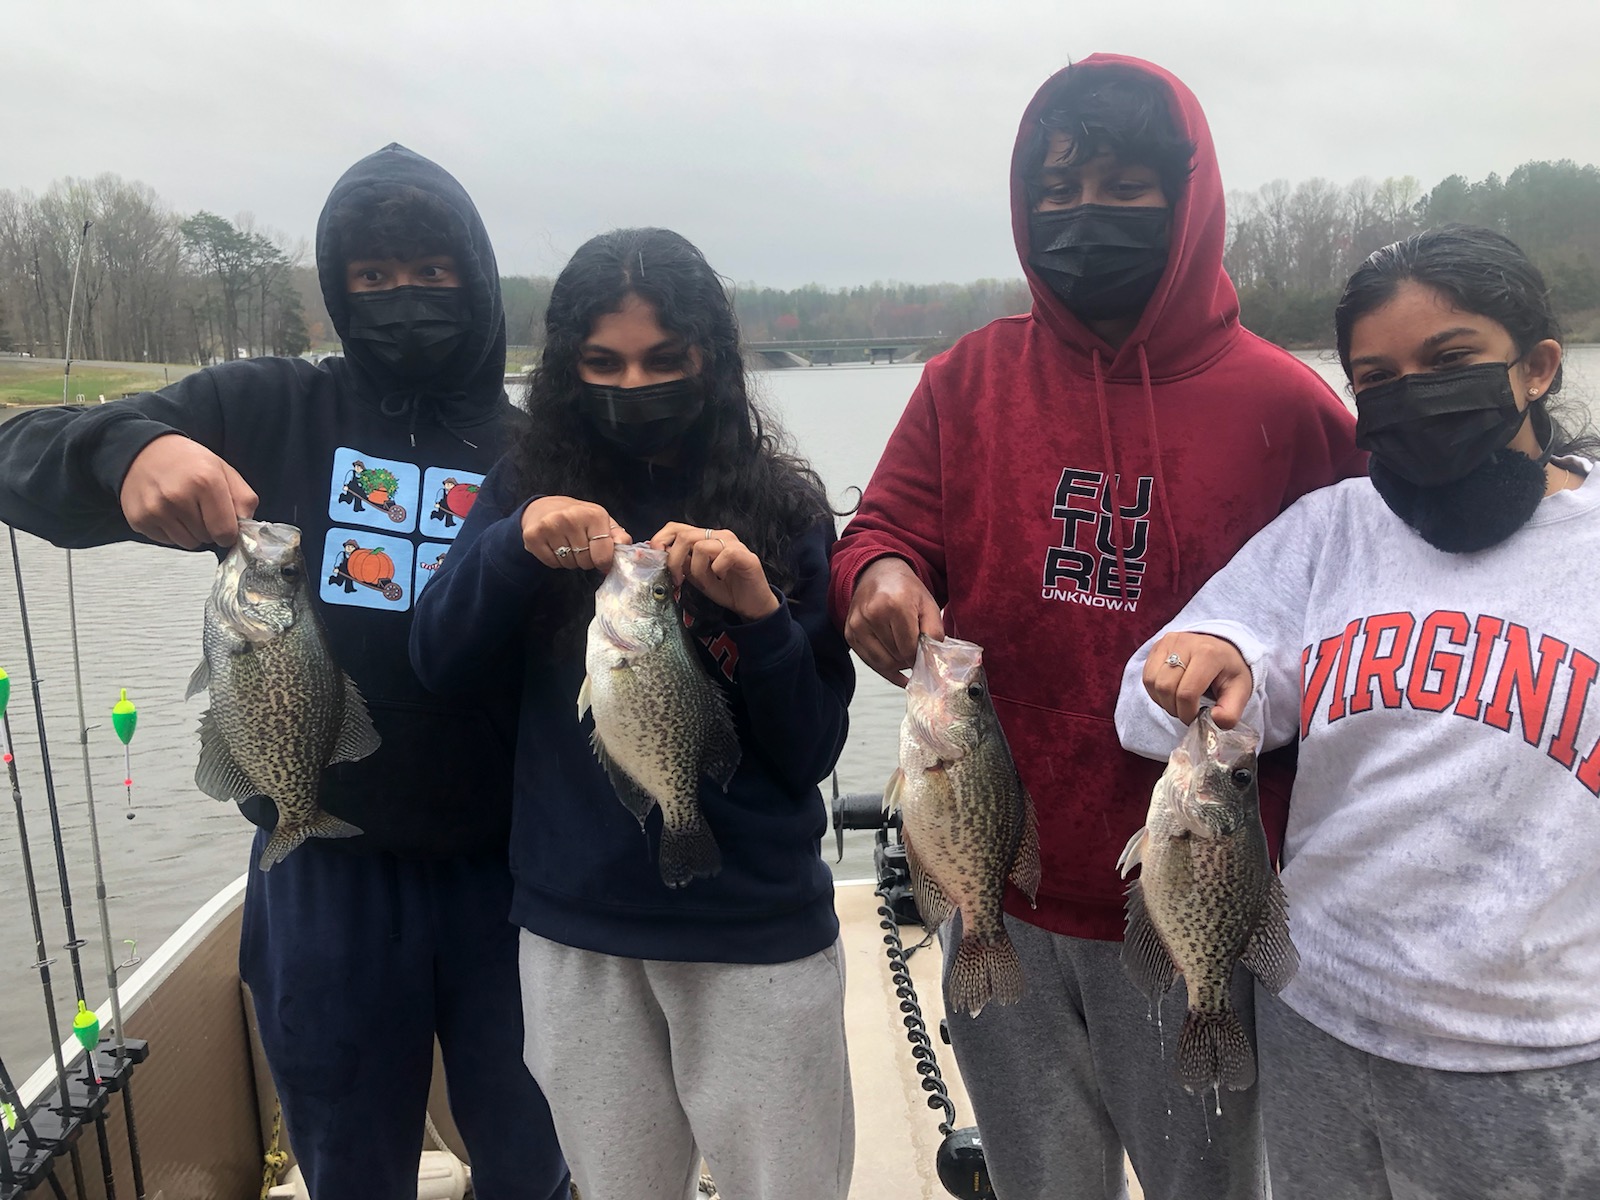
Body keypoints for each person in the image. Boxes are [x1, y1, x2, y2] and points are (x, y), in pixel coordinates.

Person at [829, 54, 1363, 1199]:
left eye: (1125, 187)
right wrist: (874, 573)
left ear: (1189, 197)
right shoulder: (967, 379)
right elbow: (879, 530)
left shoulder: (1290, 409)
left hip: (1193, 898)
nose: (1085, 217)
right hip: (997, 887)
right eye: (1058, 192)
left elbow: (1360, 638)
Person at [0, 144, 568, 1200]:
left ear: (478, 279)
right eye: (373, 277)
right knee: (349, 1164)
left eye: (433, 272)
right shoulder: (266, 408)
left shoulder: (539, 451)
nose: (405, 298)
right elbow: (17, 455)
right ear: (340, 289)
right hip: (322, 871)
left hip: (515, 874)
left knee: (532, 1158)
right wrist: (128, 454)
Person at [1118, 225, 1600, 1199]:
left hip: (1538, 1058)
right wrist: (1223, 660)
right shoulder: (1332, 530)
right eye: (1376, 377)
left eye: (1450, 360)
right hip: (1317, 1019)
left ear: (1538, 367)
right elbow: (1143, 702)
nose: (1411, 394)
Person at [410, 227, 855, 1200]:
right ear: (568, 368)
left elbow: (815, 744)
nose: (634, 383)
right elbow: (434, 662)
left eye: (666, 360)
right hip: (577, 934)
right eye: (603, 363)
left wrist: (764, 616)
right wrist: (510, 546)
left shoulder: (784, 507)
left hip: (755, 932)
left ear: (710, 359)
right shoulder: (527, 489)